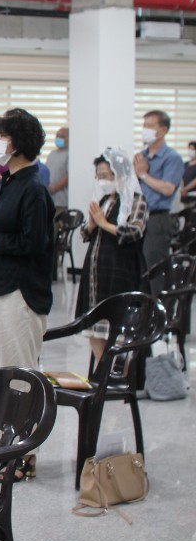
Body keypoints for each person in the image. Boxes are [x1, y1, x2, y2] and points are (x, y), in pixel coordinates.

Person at [0, 108, 54, 479]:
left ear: (17, 143)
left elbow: (34, 243)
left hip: (20, 291)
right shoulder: (7, 181)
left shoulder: (34, 187)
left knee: (19, 376)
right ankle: (2, 449)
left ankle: (22, 454)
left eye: (1, 136)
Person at [76, 149, 148, 363]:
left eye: (106, 176)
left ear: (121, 174)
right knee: (95, 328)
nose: (102, 180)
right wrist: (91, 225)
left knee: (119, 328)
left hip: (121, 271)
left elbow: (135, 231)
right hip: (96, 274)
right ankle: (103, 371)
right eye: (99, 176)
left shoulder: (136, 200)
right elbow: (85, 232)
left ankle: (121, 373)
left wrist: (104, 223)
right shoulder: (103, 200)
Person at [134, 110, 184, 296]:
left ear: (163, 130)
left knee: (155, 270)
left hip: (157, 219)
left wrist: (143, 174)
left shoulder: (172, 157)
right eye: (144, 125)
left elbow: (167, 189)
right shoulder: (141, 156)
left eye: (150, 126)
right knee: (138, 270)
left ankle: (159, 309)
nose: (145, 130)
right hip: (138, 217)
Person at [46, 127, 69, 216]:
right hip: (49, 200)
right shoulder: (52, 154)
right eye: (57, 136)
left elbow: (68, 176)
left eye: (62, 136)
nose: (59, 138)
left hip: (61, 201)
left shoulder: (69, 154)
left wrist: (55, 188)